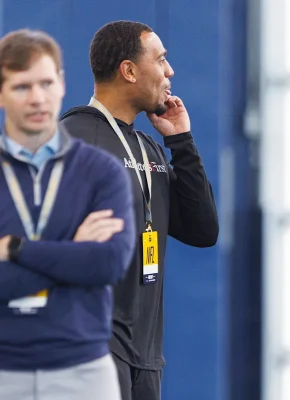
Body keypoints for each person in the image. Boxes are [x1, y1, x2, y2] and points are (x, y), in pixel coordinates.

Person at [59, 20, 219, 400]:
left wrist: (181, 141)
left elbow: (202, 230)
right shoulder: (71, 141)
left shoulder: (149, 148)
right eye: (160, 60)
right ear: (129, 71)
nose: (170, 71)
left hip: (145, 359)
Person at [0, 28, 136, 400]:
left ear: (61, 83)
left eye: (46, 83)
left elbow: (107, 263)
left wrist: (17, 250)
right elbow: (87, 262)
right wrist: (72, 250)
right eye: (21, 87)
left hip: (83, 372)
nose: (37, 98)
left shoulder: (101, 172)